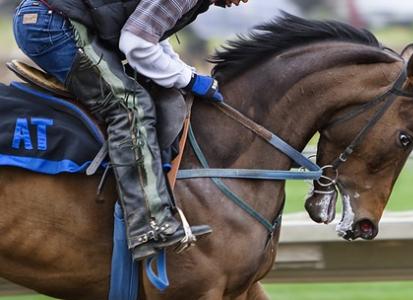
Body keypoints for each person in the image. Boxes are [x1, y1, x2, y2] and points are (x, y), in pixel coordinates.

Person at [12, 0, 249, 261]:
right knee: (130, 106)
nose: (245, 2)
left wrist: (186, 73)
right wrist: (191, 79)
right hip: (53, 25)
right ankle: (148, 225)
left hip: (53, 19)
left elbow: (151, 35)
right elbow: (136, 45)